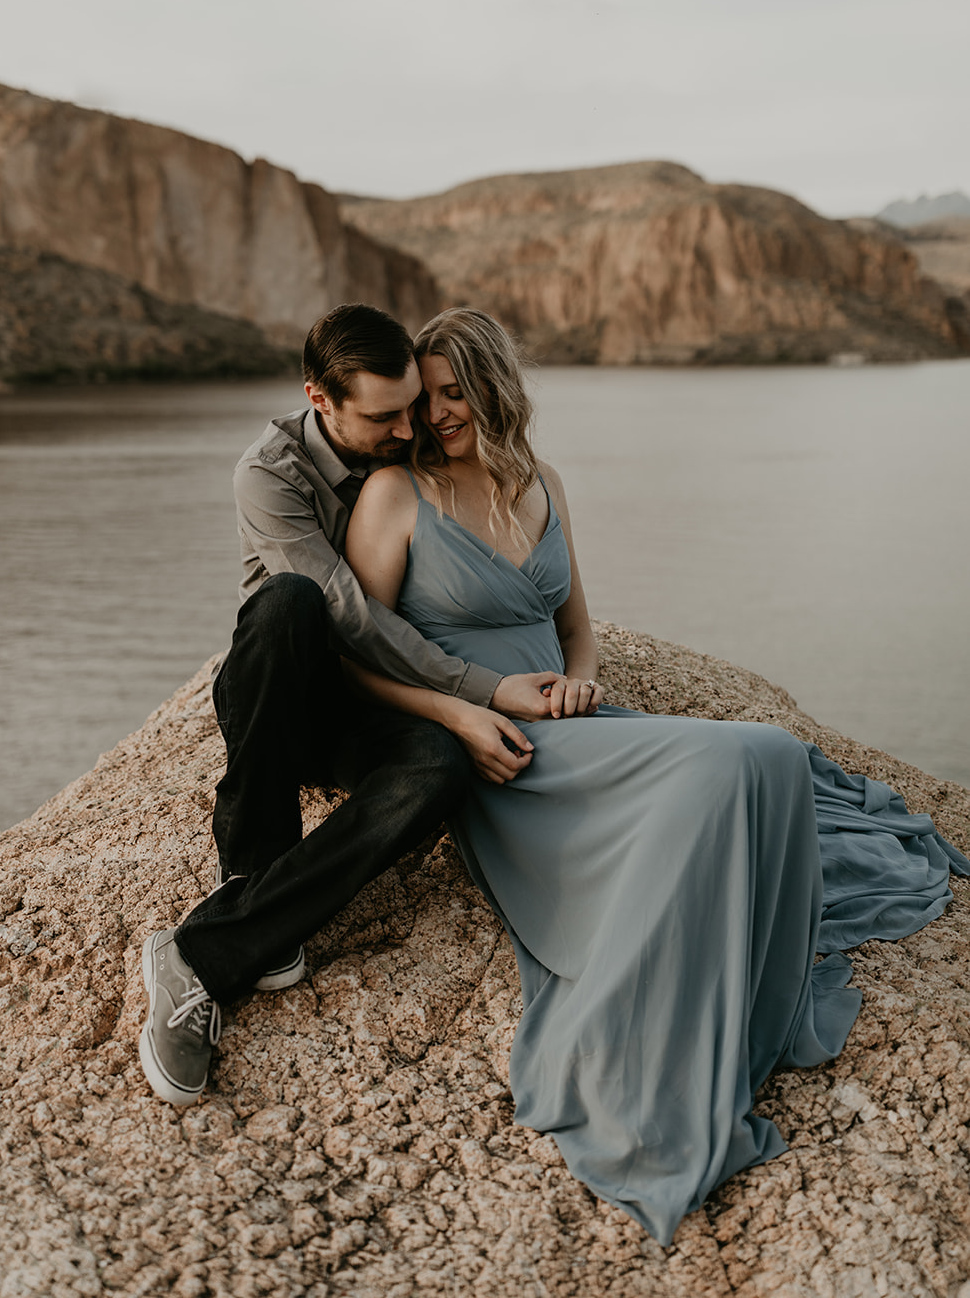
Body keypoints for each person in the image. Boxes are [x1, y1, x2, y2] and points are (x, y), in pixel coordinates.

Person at [342, 306, 969, 1246]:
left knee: (771, 761)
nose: (435, 416)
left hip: (578, 725)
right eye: (422, 400)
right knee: (751, 752)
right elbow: (356, 655)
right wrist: (461, 714)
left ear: (491, 385)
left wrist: (585, 685)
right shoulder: (394, 496)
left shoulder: (538, 483)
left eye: (450, 393)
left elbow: (576, 629)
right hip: (504, 753)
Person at [139, 304, 566, 1109]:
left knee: (441, 766)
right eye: (385, 415)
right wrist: (481, 690)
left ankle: (206, 946)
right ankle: (251, 865)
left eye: (414, 406)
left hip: (372, 706)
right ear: (319, 398)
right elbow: (352, 618)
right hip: (282, 688)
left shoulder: (410, 454)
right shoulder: (267, 473)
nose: (410, 428)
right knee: (292, 603)